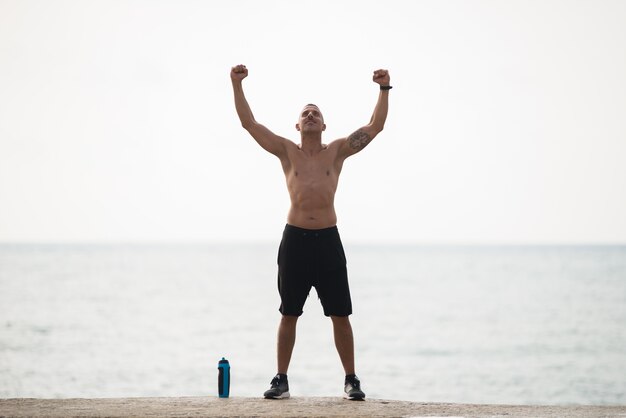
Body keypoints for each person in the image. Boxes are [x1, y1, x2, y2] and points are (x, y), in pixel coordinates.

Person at [230, 64, 390, 400]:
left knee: (340, 314)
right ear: (298, 125)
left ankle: (351, 380)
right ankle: (280, 380)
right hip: (296, 241)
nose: (311, 115)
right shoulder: (287, 151)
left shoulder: (337, 150)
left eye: (316, 112)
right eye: (306, 113)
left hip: (329, 240)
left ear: (324, 124)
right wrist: (237, 83)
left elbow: (375, 127)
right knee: (289, 312)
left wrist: (384, 89)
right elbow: (249, 123)